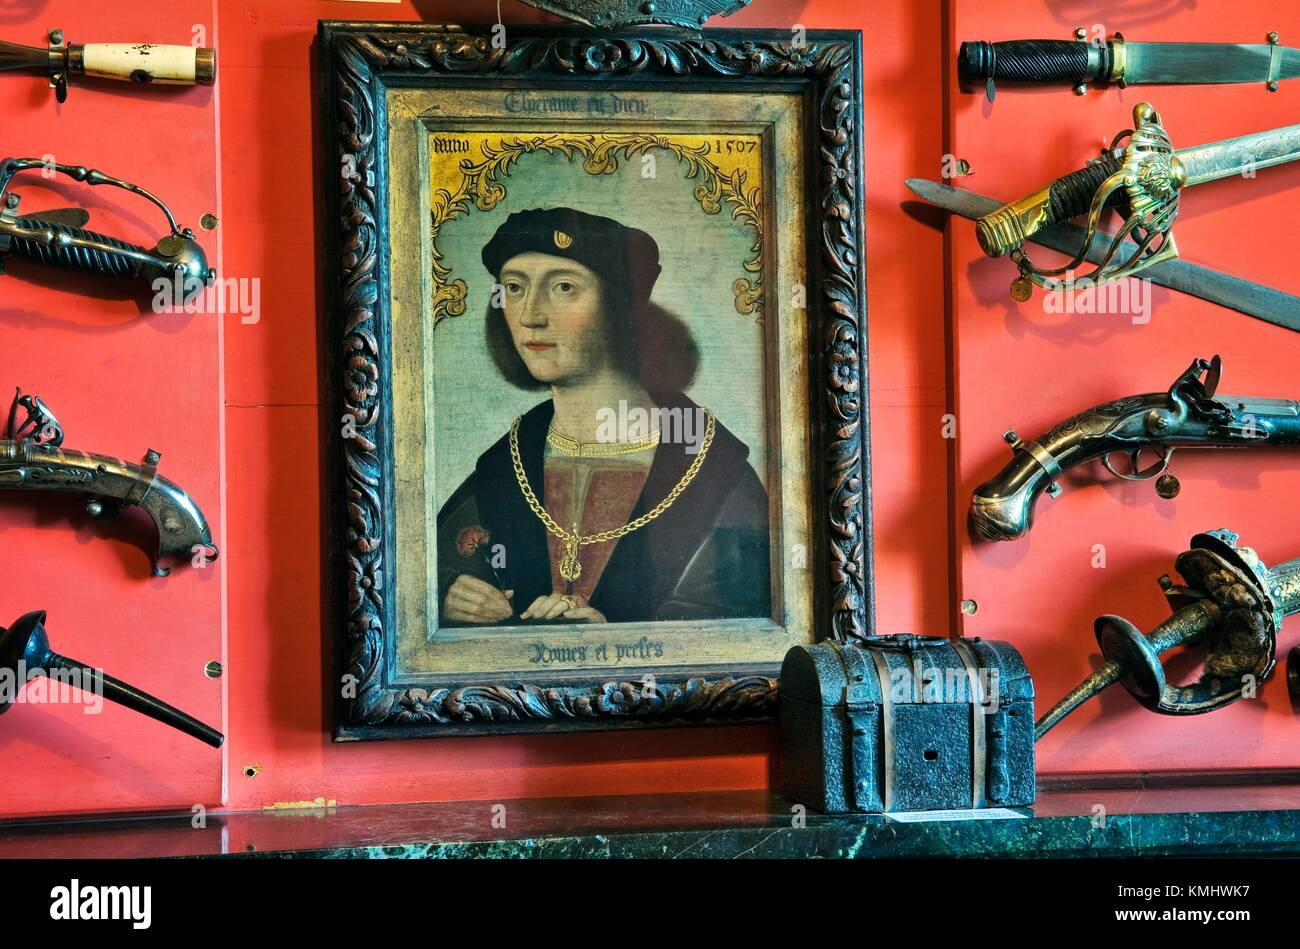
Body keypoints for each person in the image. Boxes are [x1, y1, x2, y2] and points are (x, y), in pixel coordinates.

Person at [436, 207, 770, 626]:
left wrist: (615, 643)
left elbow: (747, 624)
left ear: (618, 308)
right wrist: (451, 597)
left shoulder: (712, 469)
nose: (531, 316)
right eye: (515, 288)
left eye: (563, 287)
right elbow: (420, 575)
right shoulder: (506, 464)